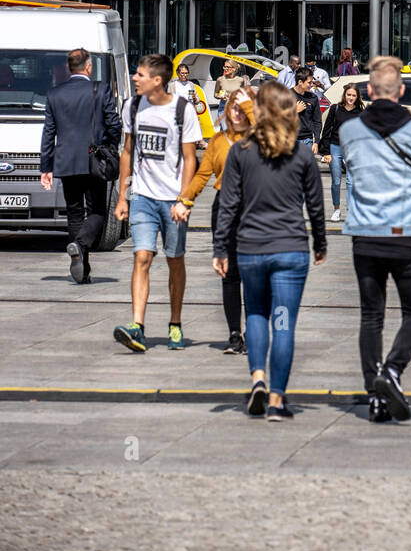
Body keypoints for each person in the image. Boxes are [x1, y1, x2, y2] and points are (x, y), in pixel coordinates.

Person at [339, 55, 411, 422]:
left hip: (366, 236)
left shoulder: (349, 132)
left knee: (371, 317)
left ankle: (374, 392)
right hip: (408, 235)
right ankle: (392, 371)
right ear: (403, 91)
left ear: (369, 91)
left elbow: (355, 179)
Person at [214, 80, 326, 420]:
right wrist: (320, 242)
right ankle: (277, 400)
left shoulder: (240, 151)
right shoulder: (302, 153)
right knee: (284, 323)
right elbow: (316, 206)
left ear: (258, 111)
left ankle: (258, 380)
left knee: (257, 315)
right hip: (290, 249)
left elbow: (228, 205)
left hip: (250, 249)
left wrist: (221, 248)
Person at [112, 54, 200, 353]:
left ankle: (175, 323)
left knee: (175, 260)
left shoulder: (182, 110)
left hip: (173, 200)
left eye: (139, 74)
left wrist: (184, 199)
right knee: (142, 258)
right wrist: (123, 195)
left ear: (157, 80)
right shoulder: (133, 106)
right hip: (143, 197)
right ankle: (137, 326)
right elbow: (127, 152)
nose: (135, 79)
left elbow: (191, 159)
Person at [39, 47, 122, 285]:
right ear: (89, 67)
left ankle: (82, 269)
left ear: (68, 68)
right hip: (94, 160)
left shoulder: (54, 94)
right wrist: (110, 148)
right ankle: (81, 245)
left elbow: (49, 133)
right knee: (96, 211)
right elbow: (113, 124)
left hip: (66, 161)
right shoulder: (100, 89)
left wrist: (46, 166)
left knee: (74, 211)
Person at [186, 87, 256, 353]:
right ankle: (234, 334)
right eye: (233, 107)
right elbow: (203, 175)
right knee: (229, 275)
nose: (237, 112)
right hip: (224, 208)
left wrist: (248, 104)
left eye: (242, 108)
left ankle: (253, 332)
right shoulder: (218, 141)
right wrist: (185, 200)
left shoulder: (258, 138)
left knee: (251, 275)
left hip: (252, 209)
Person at [320, 82, 364, 222]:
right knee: (337, 181)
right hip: (335, 146)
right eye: (349, 95)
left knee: (351, 182)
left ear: (357, 97)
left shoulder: (360, 112)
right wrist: (326, 152)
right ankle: (336, 209)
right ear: (344, 95)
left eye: (353, 95)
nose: (351, 97)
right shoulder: (335, 109)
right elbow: (326, 131)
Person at [291, 67, 322, 152]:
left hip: (308, 141)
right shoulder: (286, 96)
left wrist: (316, 142)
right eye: (309, 82)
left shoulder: (313, 98)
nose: (312, 84)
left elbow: (317, 121)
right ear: (300, 82)